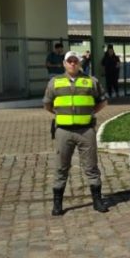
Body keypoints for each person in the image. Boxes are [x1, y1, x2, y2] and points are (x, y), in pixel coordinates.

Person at [43, 50, 109, 215]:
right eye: (69, 61)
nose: (72, 63)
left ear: (79, 63)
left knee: (91, 166)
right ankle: (57, 204)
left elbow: (103, 101)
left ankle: (97, 201)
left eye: (75, 61)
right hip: (63, 131)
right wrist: (61, 115)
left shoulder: (90, 81)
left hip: (86, 130)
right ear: (64, 64)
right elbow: (47, 104)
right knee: (61, 167)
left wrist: (89, 112)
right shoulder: (54, 82)